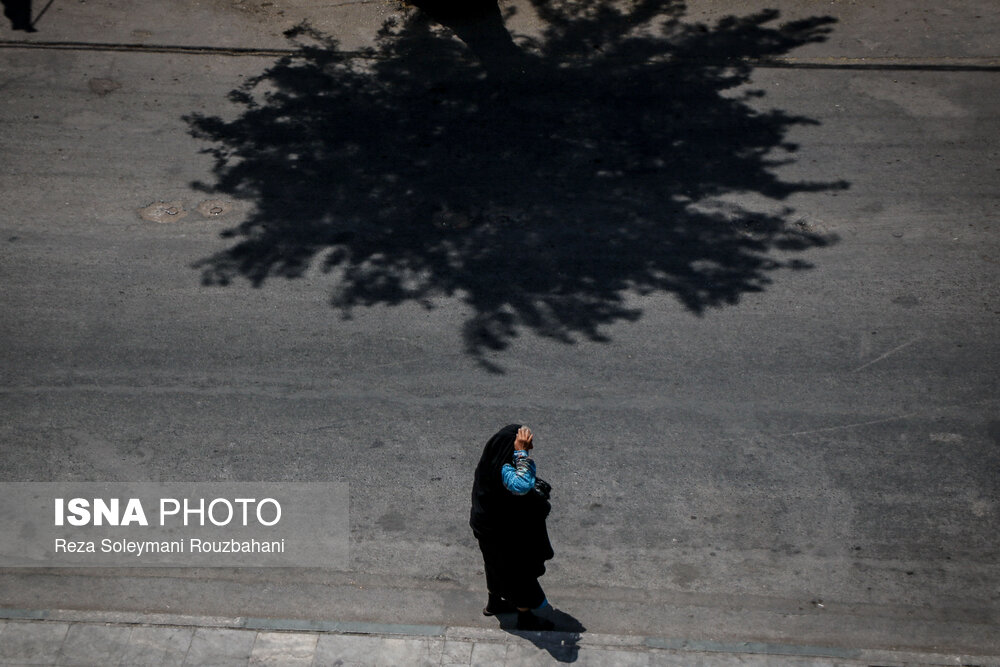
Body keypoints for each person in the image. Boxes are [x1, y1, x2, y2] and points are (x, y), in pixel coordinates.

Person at [470, 424, 555, 631]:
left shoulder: (491, 462)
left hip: (486, 526)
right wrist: (521, 453)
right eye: (525, 444)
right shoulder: (504, 468)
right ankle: (525, 618)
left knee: (493, 564)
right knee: (519, 573)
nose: (530, 446)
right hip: (501, 532)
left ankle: (495, 602)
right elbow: (522, 485)